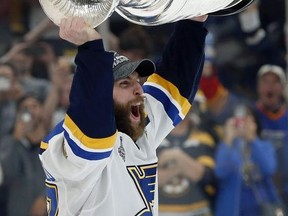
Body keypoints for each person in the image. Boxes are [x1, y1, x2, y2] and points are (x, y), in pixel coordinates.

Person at [39, 15, 208, 215]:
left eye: (138, 81)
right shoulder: (67, 144)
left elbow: (174, 84)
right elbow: (93, 128)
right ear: (100, 95)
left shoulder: (137, 127)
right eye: (124, 84)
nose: (139, 90)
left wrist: (193, 22)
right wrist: (90, 47)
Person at [214, 104, 283, 216]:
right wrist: (228, 139)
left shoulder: (264, 145)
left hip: (262, 210)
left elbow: (269, 168)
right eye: (238, 120)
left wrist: (253, 139)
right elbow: (221, 172)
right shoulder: (225, 147)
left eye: (246, 119)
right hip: (230, 210)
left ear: (254, 123)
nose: (242, 124)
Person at [157, 92, 216, 216]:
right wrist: (181, 167)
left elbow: (205, 177)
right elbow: (150, 180)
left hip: (198, 211)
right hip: (159, 212)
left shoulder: (204, 138)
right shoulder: (153, 139)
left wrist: (176, 156)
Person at [0, 94, 48, 216]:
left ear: (42, 111)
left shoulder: (53, 143)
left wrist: (46, 196)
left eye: (34, 106)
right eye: (24, 108)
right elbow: (7, 174)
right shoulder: (9, 143)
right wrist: (15, 140)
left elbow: (63, 175)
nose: (30, 111)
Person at [254, 64, 288, 212]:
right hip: (257, 193)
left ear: (282, 88)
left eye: (275, 82)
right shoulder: (249, 115)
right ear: (258, 87)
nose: (270, 87)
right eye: (265, 82)